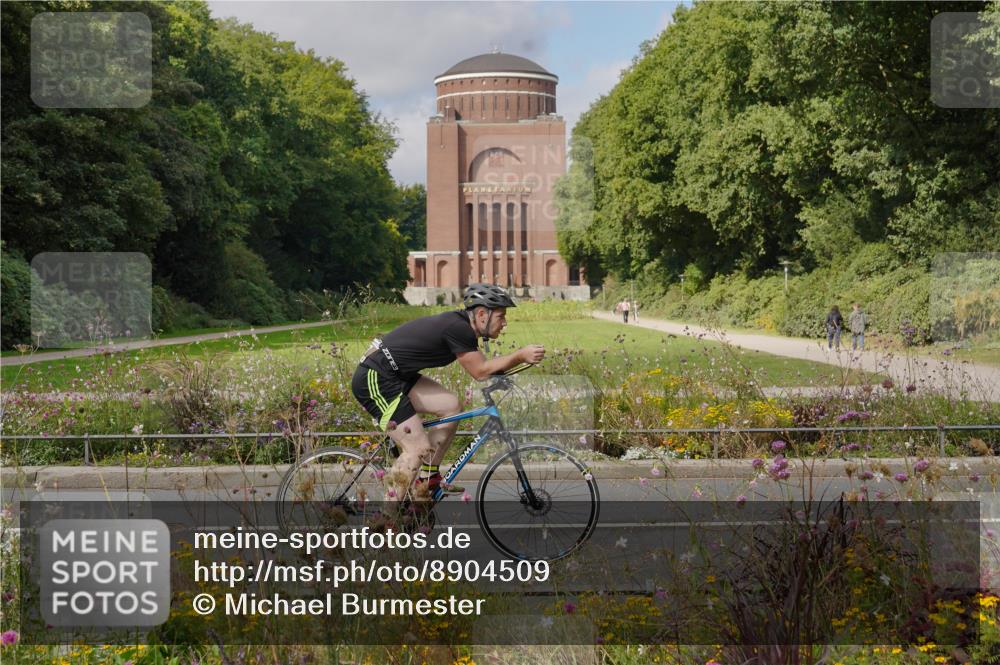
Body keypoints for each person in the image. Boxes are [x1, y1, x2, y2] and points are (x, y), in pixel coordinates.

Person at [351, 284, 545, 503]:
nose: (505, 323)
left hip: (398, 376)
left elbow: (485, 368)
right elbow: (480, 372)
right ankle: (386, 523)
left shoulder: (462, 326)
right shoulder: (459, 328)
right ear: (482, 314)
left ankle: (427, 478)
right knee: (417, 448)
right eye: (501, 316)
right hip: (375, 377)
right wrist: (520, 355)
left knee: (451, 405)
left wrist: (505, 372)